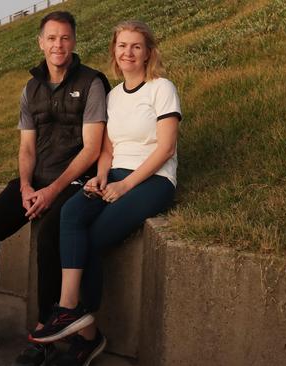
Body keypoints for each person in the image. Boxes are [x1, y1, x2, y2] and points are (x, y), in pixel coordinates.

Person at [0, 11, 110, 365]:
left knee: (49, 237)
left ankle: (43, 334)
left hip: (73, 182)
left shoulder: (93, 82)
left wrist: (53, 190)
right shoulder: (31, 87)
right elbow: (26, 148)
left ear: (75, 42)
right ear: (40, 42)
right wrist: (24, 187)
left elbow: (92, 149)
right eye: (51, 38)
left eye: (65, 38)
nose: (58, 45)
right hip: (33, 182)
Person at [28, 20, 182, 365]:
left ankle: (83, 329)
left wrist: (126, 185)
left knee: (94, 237)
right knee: (70, 213)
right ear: (114, 51)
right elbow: (107, 151)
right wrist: (99, 178)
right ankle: (70, 309)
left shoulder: (162, 88)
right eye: (122, 46)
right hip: (112, 174)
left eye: (136, 46)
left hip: (153, 179)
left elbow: (166, 148)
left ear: (148, 53)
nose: (128, 52)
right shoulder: (112, 95)